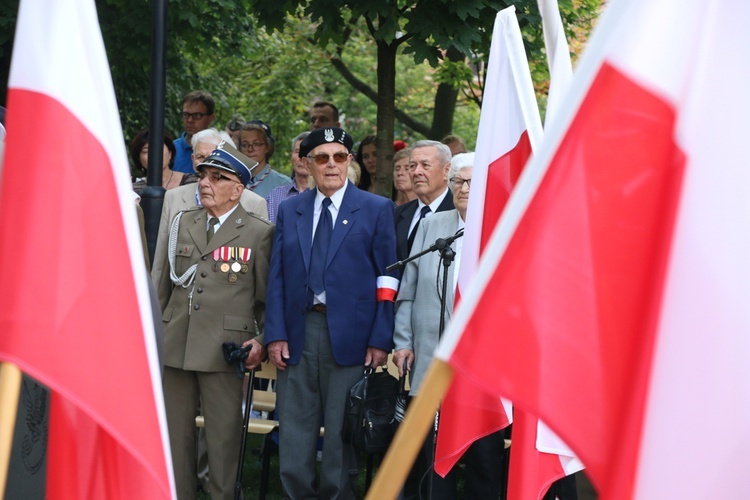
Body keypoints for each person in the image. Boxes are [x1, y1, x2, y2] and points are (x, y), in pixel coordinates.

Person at [265, 127, 399, 500]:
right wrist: (275, 333)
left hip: (352, 335)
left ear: (349, 162)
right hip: (298, 331)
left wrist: (379, 338)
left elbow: (388, 279)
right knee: (294, 430)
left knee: (342, 432)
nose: (331, 165)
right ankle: (298, 495)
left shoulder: (376, 208)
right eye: (322, 158)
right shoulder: (291, 209)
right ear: (307, 163)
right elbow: (277, 276)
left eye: (339, 157)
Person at [156, 142, 274, 500]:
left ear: (238, 188)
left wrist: (262, 339)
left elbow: (266, 299)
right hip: (176, 343)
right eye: (203, 175)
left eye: (217, 177)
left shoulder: (258, 231)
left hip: (224, 351)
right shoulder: (183, 221)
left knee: (223, 440)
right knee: (175, 438)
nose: (205, 183)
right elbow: (163, 282)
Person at [394, 153, 504, 499]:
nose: (464, 188)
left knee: (484, 455)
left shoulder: (502, 227)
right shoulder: (432, 226)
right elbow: (408, 291)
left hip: (483, 367)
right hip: (432, 356)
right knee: (432, 454)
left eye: (472, 182)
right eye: (458, 181)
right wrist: (403, 341)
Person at [151, 131, 268, 291]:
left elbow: (261, 278)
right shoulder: (173, 197)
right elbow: (161, 264)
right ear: (193, 160)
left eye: (214, 157)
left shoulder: (254, 203)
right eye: (201, 157)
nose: (208, 162)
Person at [394, 140, 454, 262]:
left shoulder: (460, 213)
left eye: (425, 165)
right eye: (412, 166)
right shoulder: (397, 214)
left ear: (446, 171)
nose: (416, 172)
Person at [265, 131, 311, 223]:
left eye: (308, 152)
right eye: (298, 152)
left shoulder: (325, 195)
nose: (302, 158)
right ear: (291, 157)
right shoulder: (274, 196)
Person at [238, 120, 291, 198]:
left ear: (267, 147)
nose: (250, 149)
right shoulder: (233, 181)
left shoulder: (283, 184)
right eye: (245, 145)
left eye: (256, 144)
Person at [173, 90, 216, 174]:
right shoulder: (171, 150)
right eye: (186, 115)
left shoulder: (220, 150)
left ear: (210, 118)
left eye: (197, 116)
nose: (190, 120)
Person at [129, 128, 182, 194]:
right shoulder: (133, 191)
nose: (154, 155)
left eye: (159, 148)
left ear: (170, 153)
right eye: (146, 151)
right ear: (139, 160)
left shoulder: (190, 182)